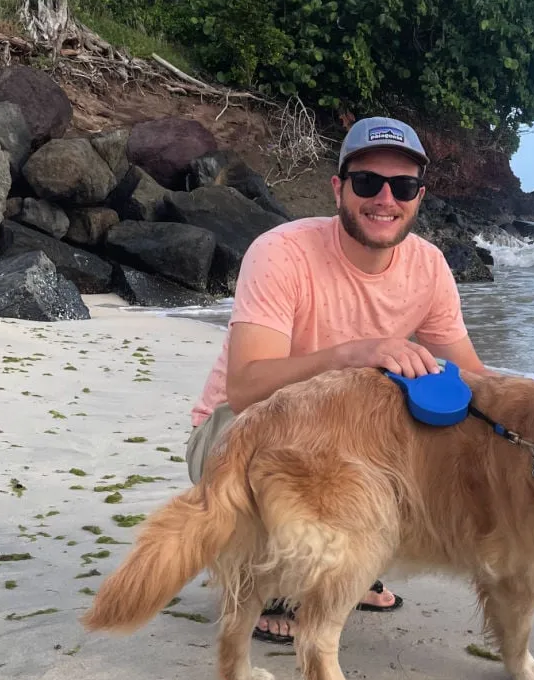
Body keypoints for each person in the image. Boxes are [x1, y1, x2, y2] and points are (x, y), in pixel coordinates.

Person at [185, 116, 487, 644]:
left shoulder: (429, 267)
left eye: (403, 186)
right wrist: (355, 353)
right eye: (367, 182)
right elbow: (246, 388)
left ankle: (345, 561)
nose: (385, 199)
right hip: (233, 436)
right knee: (298, 443)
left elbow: (477, 381)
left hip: (339, 441)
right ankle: (263, 579)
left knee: (443, 431)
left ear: (419, 196)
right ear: (338, 189)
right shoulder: (282, 252)